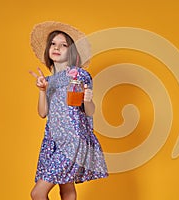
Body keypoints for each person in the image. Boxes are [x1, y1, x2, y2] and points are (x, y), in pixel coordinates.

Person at [28, 21, 108, 200]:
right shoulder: (48, 80)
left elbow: (89, 110)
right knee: (66, 189)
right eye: (53, 44)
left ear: (72, 51)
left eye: (63, 45)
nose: (57, 48)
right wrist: (42, 90)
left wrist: (87, 100)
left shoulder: (79, 74)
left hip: (73, 140)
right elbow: (42, 113)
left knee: (37, 193)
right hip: (54, 141)